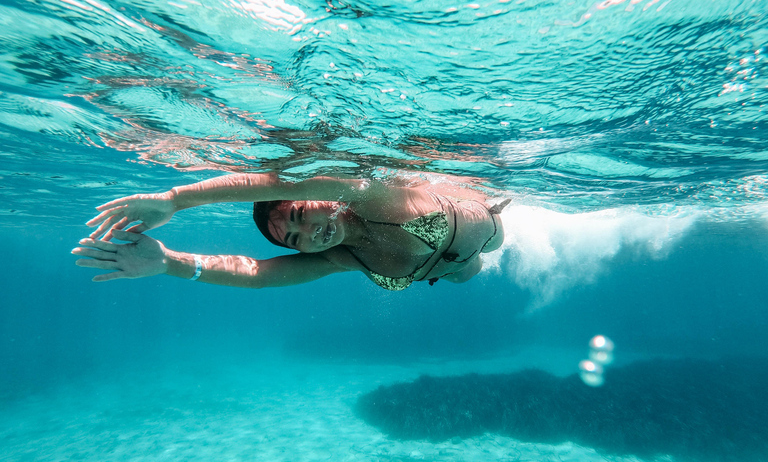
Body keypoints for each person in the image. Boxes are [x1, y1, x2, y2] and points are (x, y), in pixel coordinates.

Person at [73, 173, 509, 290]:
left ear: (319, 196)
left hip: (486, 225)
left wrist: (174, 199)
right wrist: (169, 263)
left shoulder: (368, 195)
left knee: (502, 243)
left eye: (300, 214)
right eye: (294, 239)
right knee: (477, 271)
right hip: (454, 272)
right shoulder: (338, 257)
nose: (310, 234)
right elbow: (257, 274)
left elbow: (272, 183)